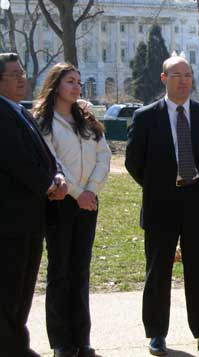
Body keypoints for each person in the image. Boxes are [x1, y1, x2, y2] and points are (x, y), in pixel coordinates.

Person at [125, 56, 199, 356]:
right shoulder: (145, 116)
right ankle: (156, 333)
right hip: (160, 203)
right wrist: (158, 186)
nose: (184, 80)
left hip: (197, 202)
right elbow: (133, 161)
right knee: (157, 271)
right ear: (164, 79)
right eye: (177, 75)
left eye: (188, 75)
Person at [33, 63, 111, 357]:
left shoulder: (87, 119)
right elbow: (52, 161)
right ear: (55, 85)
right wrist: (78, 193)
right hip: (60, 202)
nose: (77, 87)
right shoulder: (43, 121)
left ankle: (81, 338)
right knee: (60, 271)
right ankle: (61, 342)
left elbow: (103, 156)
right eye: (70, 81)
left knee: (80, 271)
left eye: (79, 82)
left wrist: (90, 191)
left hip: (88, 203)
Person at [0, 52, 67, 357]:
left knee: (24, 287)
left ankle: (17, 344)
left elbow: (47, 156)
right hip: (10, 220)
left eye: (22, 72)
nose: (21, 78)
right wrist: (48, 184)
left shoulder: (22, 113)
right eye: (13, 74)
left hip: (31, 218)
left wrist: (58, 175)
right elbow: (17, 161)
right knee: (8, 289)